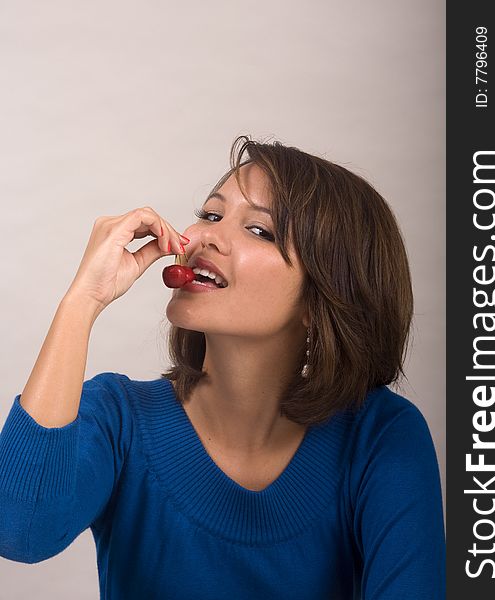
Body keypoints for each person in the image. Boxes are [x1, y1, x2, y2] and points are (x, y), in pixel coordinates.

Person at [0, 135, 446, 599]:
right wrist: (82, 302)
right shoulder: (119, 419)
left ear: (323, 298)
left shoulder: (380, 437)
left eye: (259, 230)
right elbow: (19, 530)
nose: (204, 236)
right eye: (211, 214)